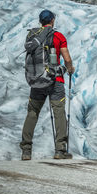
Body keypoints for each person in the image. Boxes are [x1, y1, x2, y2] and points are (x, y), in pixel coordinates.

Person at [20, 10, 75, 160]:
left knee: (32, 113)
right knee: (59, 113)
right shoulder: (57, 36)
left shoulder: (32, 36)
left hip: (37, 80)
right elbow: (67, 58)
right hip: (55, 80)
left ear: (40, 22)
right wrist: (70, 69)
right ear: (52, 20)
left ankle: (26, 150)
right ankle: (60, 150)